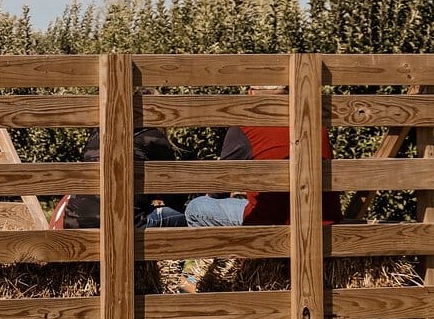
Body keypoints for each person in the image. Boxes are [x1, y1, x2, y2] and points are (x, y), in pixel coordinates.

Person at [184, 91, 342, 227]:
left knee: (196, 208)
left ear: (251, 94)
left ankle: (241, 257)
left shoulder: (245, 125)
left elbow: (219, 189)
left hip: (274, 221)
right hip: (325, 219)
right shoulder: (313, 120)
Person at [62, 125, 187, 229]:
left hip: (74, 221)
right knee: (190, 215)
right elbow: (172, 190)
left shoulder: (97, 132)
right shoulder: (153, 135)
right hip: (125, 226)